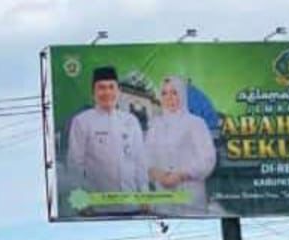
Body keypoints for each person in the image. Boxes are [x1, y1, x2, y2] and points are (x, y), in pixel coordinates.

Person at [66, 66, 148, 195]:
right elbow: (75, 165)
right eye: (101, 88)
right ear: (93, 92)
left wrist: (145, 195)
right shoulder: (81, 121)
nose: (107, 92)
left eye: (111, 87)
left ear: (118, 91)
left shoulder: (131, 121)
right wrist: (80, 201)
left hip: (132, 204)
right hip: (97, 206)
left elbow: (140, 162)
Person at [144, 75, 218, 214]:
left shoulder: (196, 123)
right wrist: (158, 175)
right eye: (164, 93)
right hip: (163, 201)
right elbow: (146, 158)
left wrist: (180, 175)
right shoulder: (155, 125)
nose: (169, 98)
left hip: (191, 199)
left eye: (174, 92)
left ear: (182, 95)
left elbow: (207, 160)